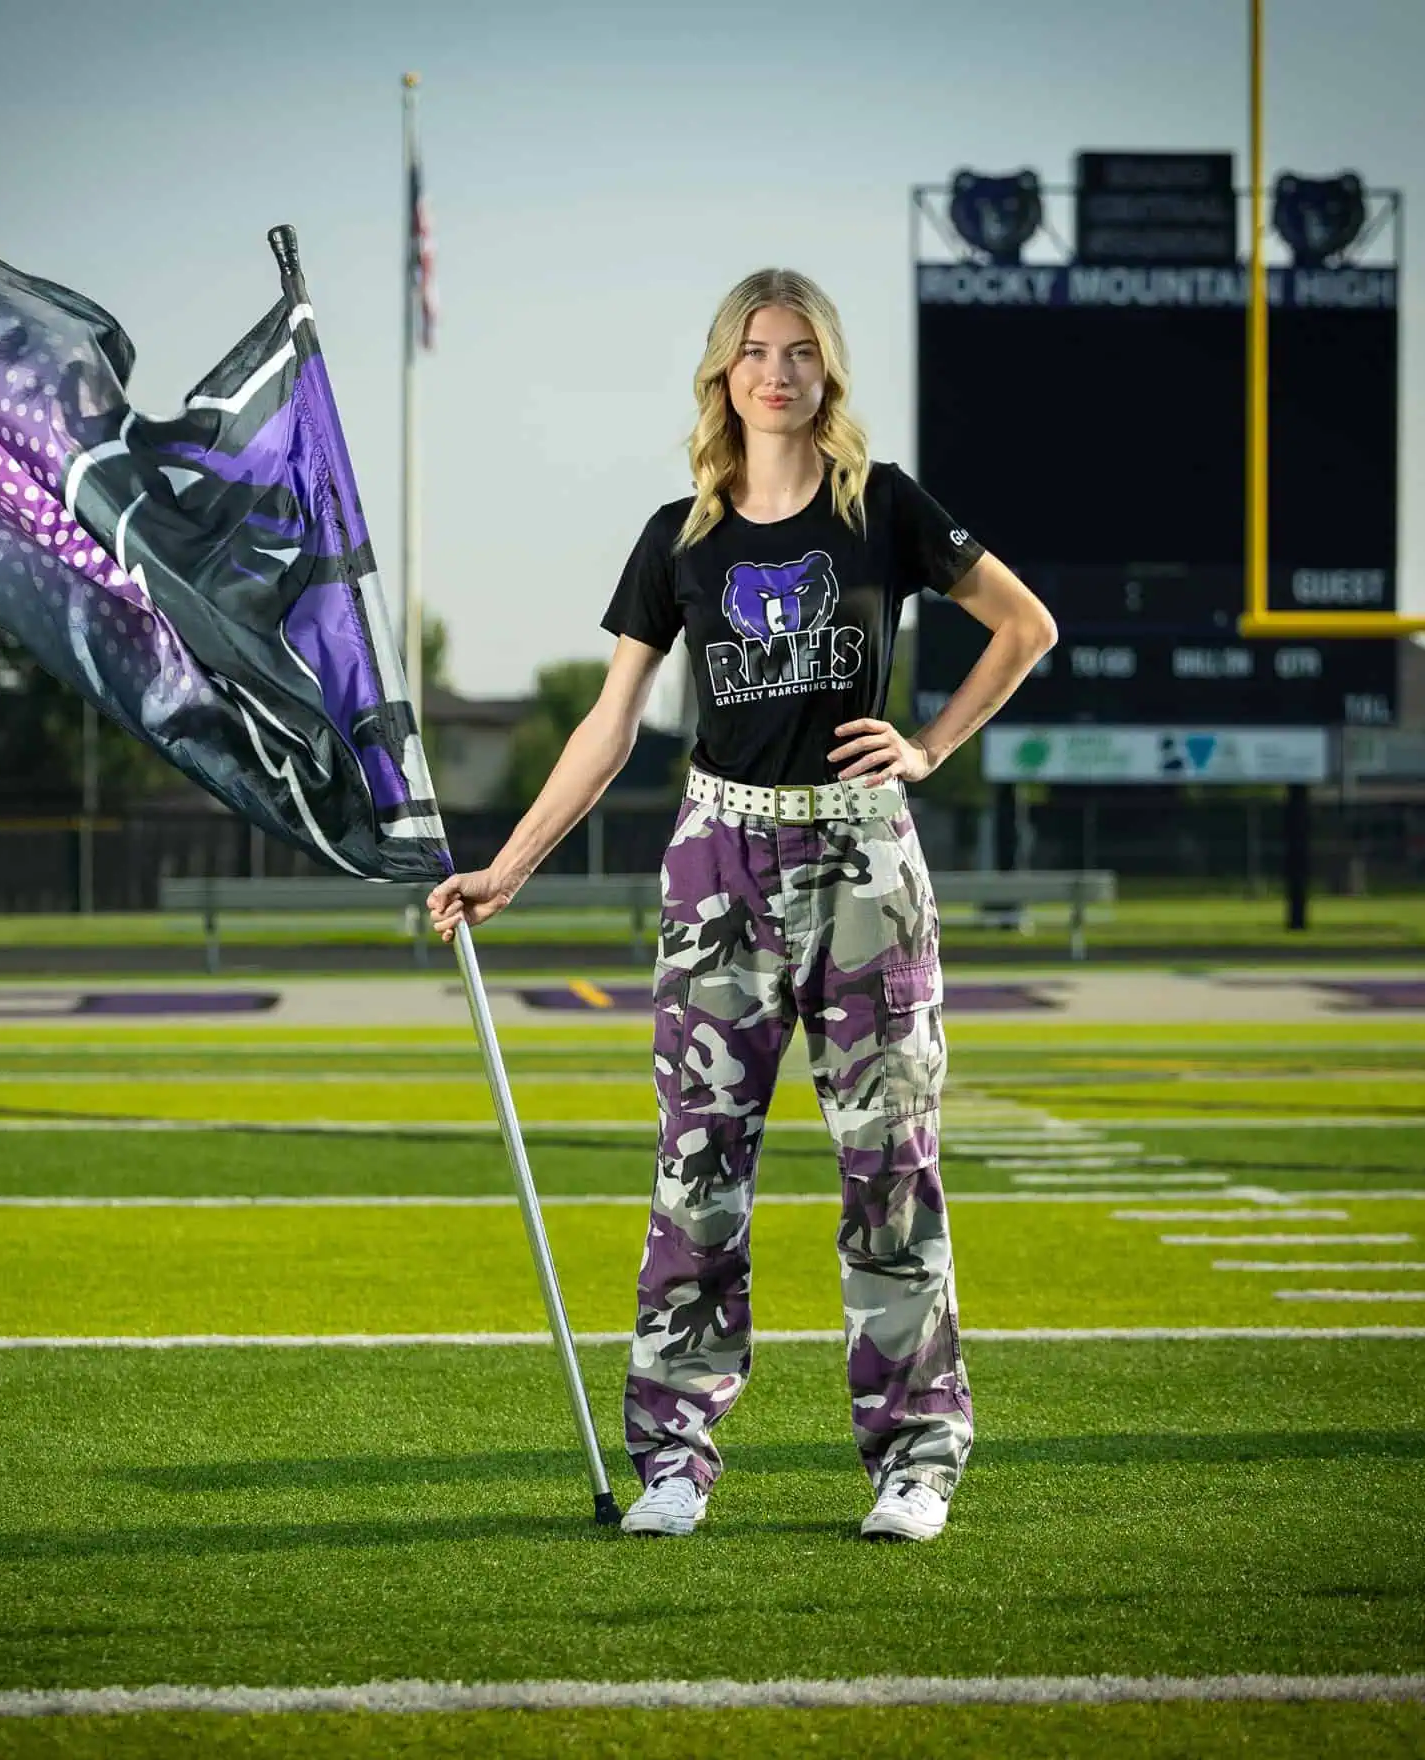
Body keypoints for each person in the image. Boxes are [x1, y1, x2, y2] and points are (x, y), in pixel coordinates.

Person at [427, 268, 1056, 1542]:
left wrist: (929, 744)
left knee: (891, 1171)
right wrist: (511, 864)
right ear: (722, 371)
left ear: (829, 373)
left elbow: (1023, 624)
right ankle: (673, 1456)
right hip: (719, 862)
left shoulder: (880, 509)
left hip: (865, 865)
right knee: (696, 1171)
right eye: (755, 350)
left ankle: (914, 1460)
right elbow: (611, 725)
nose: (777, 371)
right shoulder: (680, 536)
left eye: (801, 351)